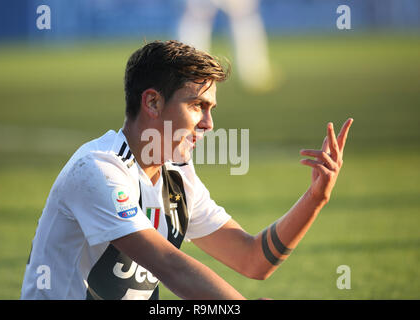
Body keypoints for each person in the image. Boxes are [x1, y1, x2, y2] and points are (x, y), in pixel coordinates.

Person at [20, 40, 353, 300]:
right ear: (152, 103)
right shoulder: (97, 169)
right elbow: (170, 266)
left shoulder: (176, 175)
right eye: (197, 106)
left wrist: (315, 197)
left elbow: (253, 259)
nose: (209, 124)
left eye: (211, 109)